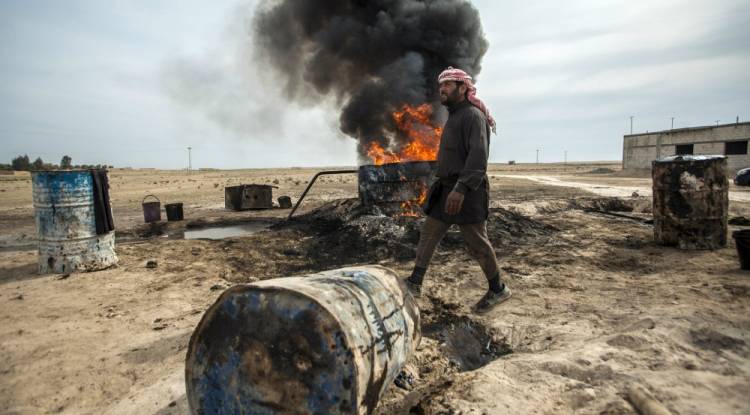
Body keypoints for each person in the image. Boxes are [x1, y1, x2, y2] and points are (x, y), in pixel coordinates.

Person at [405, 66, 511, 313]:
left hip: (467, 190)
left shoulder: (473, 116)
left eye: (448, 84)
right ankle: (415, 282)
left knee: (476, 241)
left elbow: (478, 156)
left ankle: (498, 289)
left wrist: (461, 189)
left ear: (463, 88)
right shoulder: (455, 116)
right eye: (441, 85)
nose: (442, 89)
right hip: (446, 188)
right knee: (429, 232)